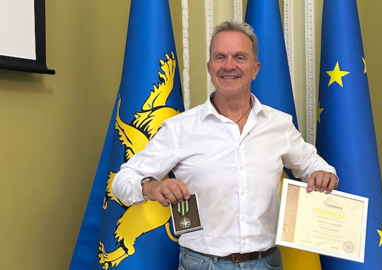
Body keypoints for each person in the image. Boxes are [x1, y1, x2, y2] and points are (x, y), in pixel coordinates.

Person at [112, 20, 338, 270]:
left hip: (267, 263)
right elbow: (122, 181)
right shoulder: (180, 128)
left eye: (239, 57)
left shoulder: (279, 125)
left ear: (255, 69)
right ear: (210, 68)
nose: (229, 66)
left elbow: (315, 166)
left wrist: (323, 174)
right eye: (220, 57)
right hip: (202, 264)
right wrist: (150, 186)